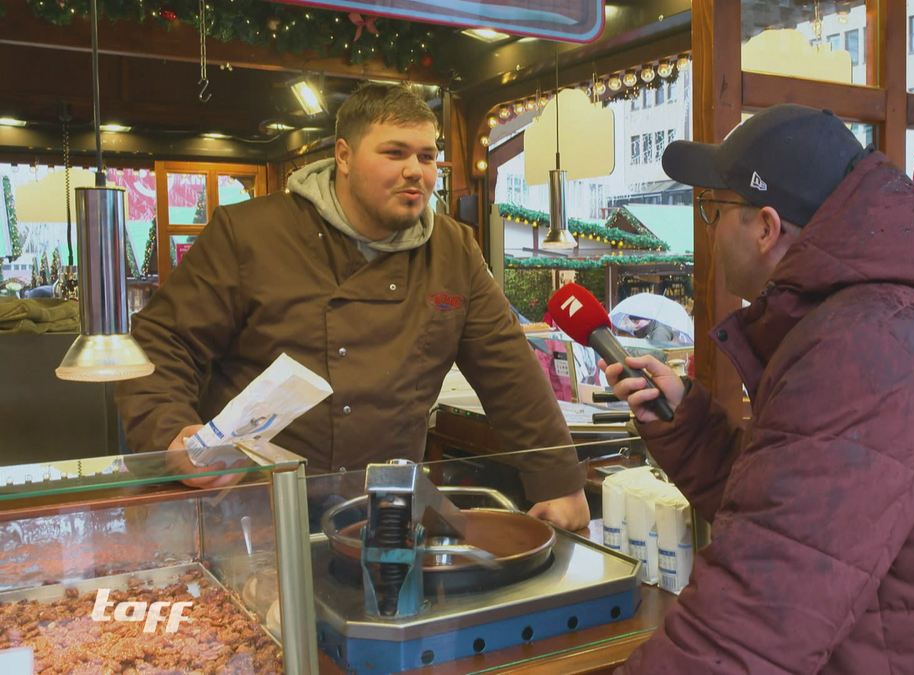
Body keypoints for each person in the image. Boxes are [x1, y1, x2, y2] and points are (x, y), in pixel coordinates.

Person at [602, 105, 914, 674]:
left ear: (765, 228)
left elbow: (750, 627)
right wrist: (687, 424)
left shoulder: (860, 349)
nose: (708, 231)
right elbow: (803, 525)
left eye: (714, 210)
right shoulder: (884, 319)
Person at [115, 83, 588, 529]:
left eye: (427, 156)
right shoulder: (250, 234)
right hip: (254, 510)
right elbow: (162, 342)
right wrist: (171, 433)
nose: (415, 170)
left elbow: (509, 370)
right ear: (343, 156)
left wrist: (560, 481)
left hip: (385, 515)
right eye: (394, 152)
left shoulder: (453, 249)